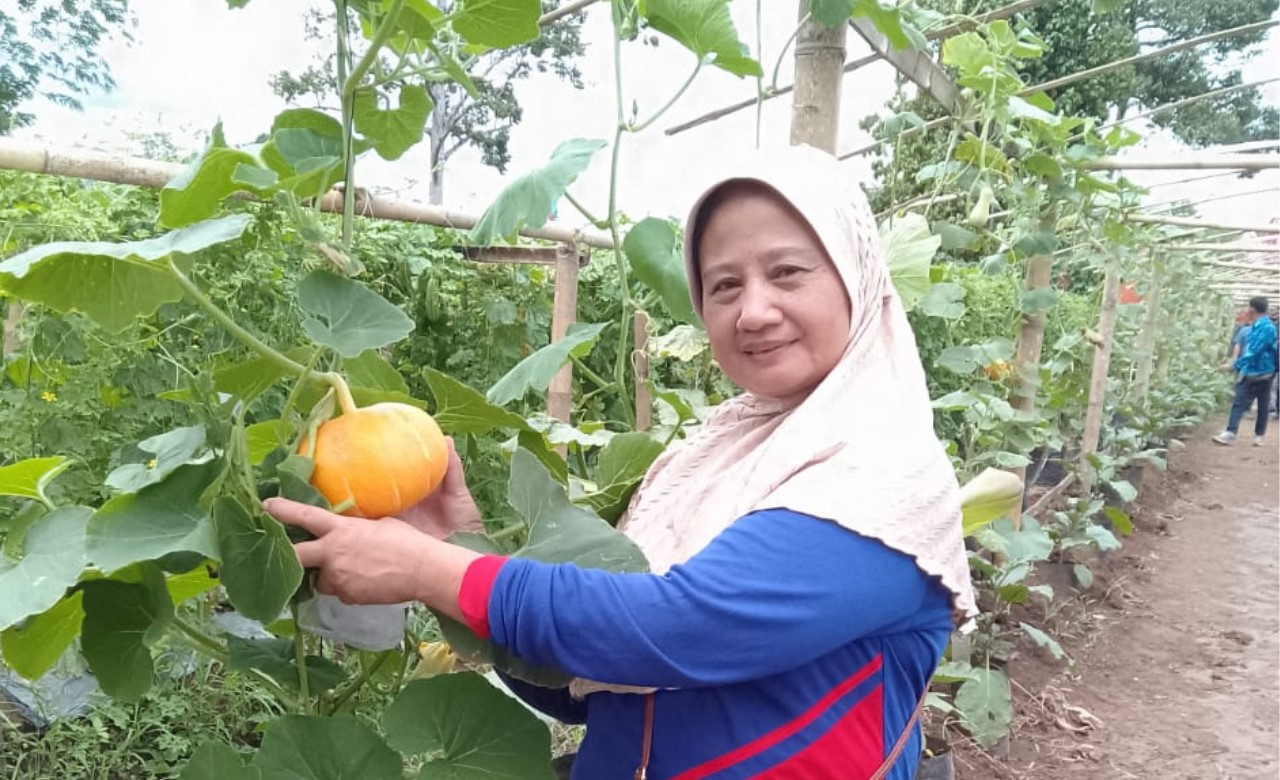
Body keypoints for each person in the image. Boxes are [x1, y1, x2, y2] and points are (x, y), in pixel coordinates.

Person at [263, 145, 976, 779]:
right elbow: (588, 684)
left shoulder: (887, 474)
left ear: (856, 276)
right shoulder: (712, 456)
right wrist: (452, 552)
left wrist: (433, 571)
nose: (753, 310)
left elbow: (671, 631)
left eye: (787, 272)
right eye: (724, 285)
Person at [1214, 296, 1278, 446]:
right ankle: (1233, 432)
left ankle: (1257, 435)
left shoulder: (1267, 328)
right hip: (1252, 369)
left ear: (1252, 309)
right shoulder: (1256, 326)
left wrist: (1234, 365)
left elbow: (1255, 351)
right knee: (1240, 401)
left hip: (1262, 371)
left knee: (1261, 404)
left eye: (1248, 307)